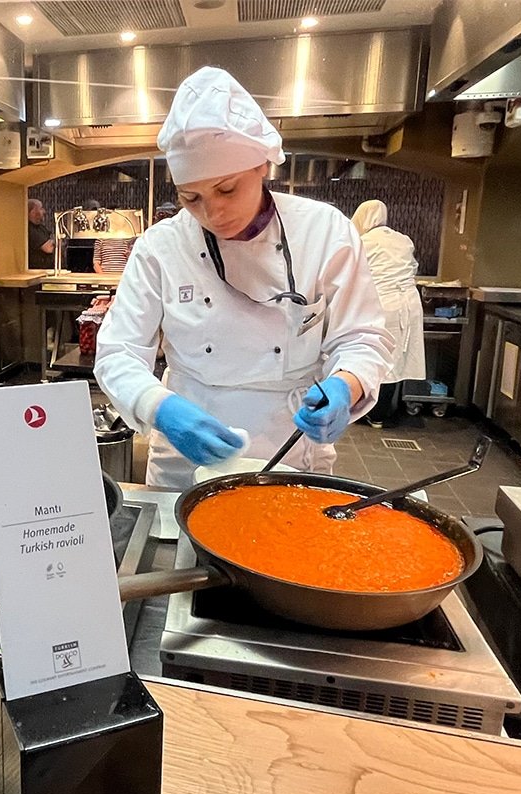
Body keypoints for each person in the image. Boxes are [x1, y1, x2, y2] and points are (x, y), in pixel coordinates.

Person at [94, 67, 393, 488]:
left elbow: (361, 337)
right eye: (190, 197)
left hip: (290, 448)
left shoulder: (326, 231)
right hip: (185, 462)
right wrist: (159, 407)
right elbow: (117, 352)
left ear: (261, 166)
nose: (212, 213)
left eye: (227, 189)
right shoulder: (161, 247)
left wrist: (347, 386)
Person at [351, 200, 426, 428]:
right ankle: (382, 413)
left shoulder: (364, 241)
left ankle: (372, 412)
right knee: (396, 359)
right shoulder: (403, 239)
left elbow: (352, 273)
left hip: (382, 304)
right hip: (409, 304)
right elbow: (412, 268)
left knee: (376, 357)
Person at [27, 199, 55, 269]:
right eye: (41, 208)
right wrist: (56, 240)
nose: (44, 211)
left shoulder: (40, 227)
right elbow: (48, 248)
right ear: (33, 212)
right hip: (37, 270)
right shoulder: (28, 229)